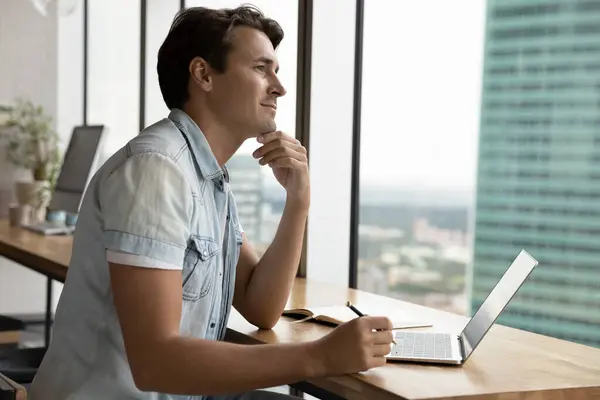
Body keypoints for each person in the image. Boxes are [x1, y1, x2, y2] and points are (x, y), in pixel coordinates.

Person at [29, 5, 394, 400]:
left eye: (276, 70)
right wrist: (318, 357)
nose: (279, 87)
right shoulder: (158, 172)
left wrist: (298, 202)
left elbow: (260, 305)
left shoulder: (207, 179)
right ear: (203, 74)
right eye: (260, 68)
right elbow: (156, 362)